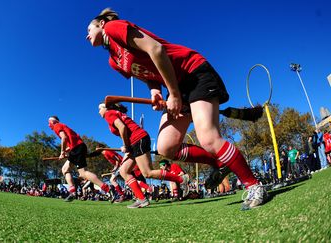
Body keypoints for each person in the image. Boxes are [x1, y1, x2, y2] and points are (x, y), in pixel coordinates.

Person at [87, 8, 267, 209]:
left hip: (193, 72)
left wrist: (172, 94)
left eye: (89, 29)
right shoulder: (114, 61)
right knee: (166, 147)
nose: (87, 35)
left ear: (101, 24)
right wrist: (155, 92)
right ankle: (219, 162)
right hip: (177, 87)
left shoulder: (113, 28)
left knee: (208, 138)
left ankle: (254, 185)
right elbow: (147, 75)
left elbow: (156, 49)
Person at [98, 103, 189, 208]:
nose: (99, 111)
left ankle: (181, 180)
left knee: (147, 172)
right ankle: (141, 199)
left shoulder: (109, 113)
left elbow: (122, 128)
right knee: (124, 171)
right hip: (136, 141)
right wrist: (128, 146)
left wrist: (126, 145)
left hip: (138, 140)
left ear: (106, 108)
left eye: (100, 108)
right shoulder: (115, 113)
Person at [47, 116, 112, 202]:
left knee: (83, 173)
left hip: (77, 147)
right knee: (65, 169)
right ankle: (72, 192)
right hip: (77, 148)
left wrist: (62, 152)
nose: (48, 124)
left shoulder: (57, 125)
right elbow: (69, 140)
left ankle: (107, 188)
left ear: (53, 121)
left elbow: (64, 138)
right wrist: (67, 149)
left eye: (49, 122)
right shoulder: (62, 126)